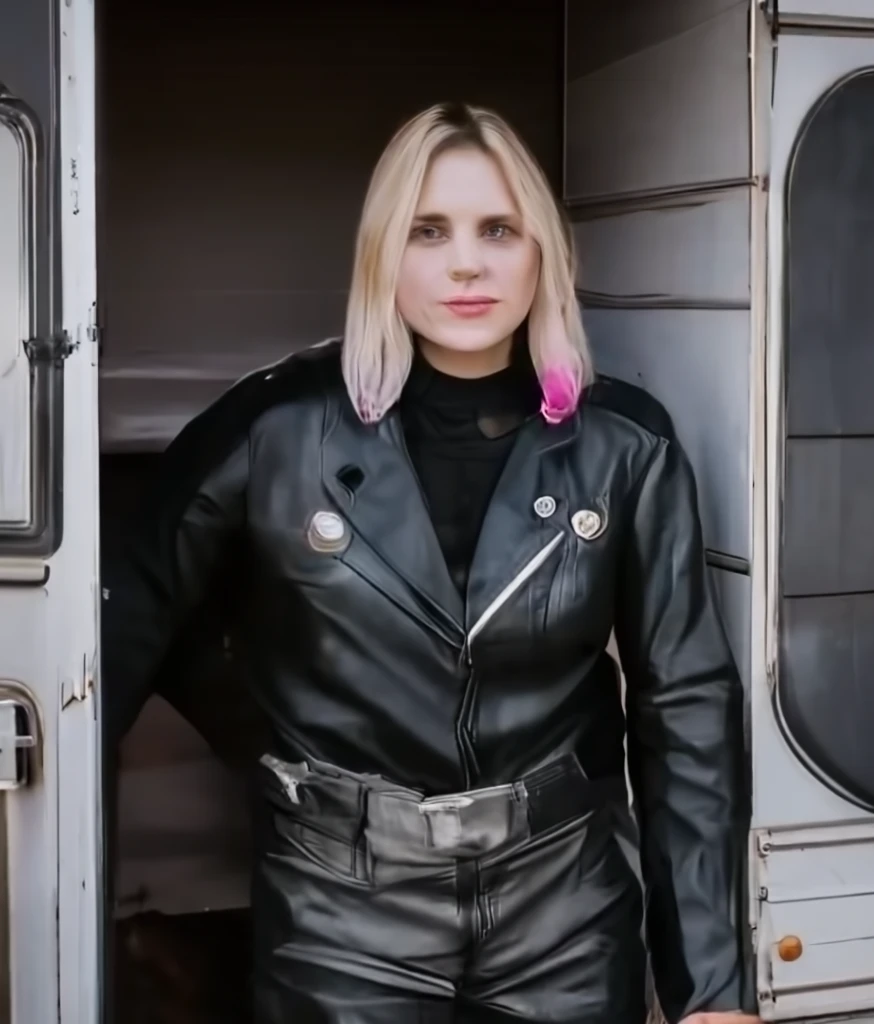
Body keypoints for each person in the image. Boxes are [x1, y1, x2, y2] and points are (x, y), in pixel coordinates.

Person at [102, 101, 759, 1024]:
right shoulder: (273, 429)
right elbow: (123, 613)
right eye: (429, 230)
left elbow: (683, 701)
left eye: (498, 229)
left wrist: (713, 988)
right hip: (340, 915)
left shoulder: (624, 446)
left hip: (563, 909)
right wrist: (269, 736)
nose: (466, 263)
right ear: (383, 251)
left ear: (543, 249)